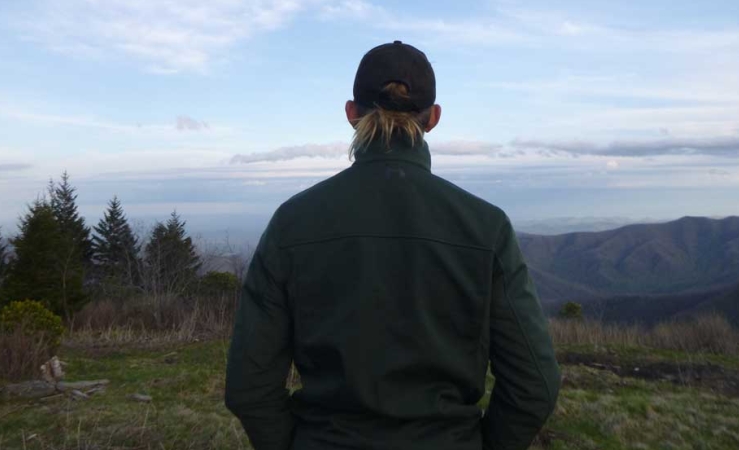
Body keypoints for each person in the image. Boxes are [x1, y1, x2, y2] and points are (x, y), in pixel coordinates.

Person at [225, 40, 561, 450]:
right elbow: (536, 385)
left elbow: (248, 385)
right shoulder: (486, 228)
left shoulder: (291, 223)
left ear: (351, 114)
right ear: (434, 118)